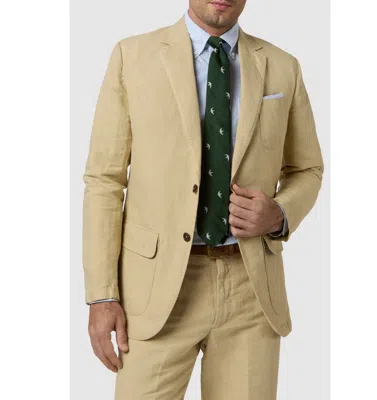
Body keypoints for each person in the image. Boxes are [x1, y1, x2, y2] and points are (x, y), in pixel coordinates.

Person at [82, 1, 324, 398]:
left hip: (250, 290)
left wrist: (279, 213)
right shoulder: (132, 56)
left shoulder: (283, 66)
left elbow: (308, 168)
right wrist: (102, 294)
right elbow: (104, 180)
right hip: (156, 289)